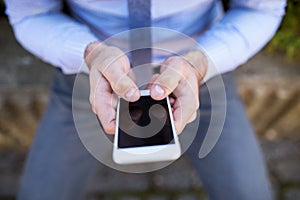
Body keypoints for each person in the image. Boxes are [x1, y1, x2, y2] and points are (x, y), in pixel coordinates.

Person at [4, 0, 286, 199]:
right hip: (86, 78)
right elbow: (31, 13)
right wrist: (90, 54)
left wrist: (201, 62)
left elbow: (260, 8)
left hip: (201, 77)